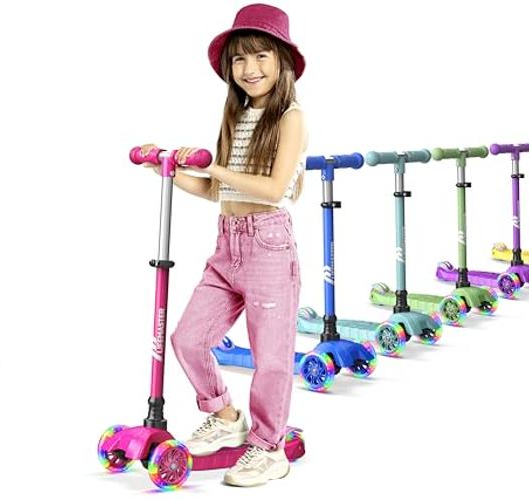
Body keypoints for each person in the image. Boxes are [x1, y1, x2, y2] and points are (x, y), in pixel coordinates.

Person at [140, 3, 307, 488]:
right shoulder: (235, 114)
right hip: (227, 244)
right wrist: (168, 171)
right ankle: (226, 416)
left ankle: (269, 448)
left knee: (270, 358)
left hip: (269, 245)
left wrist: (213, 166)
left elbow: (273, 189)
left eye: (260, 56)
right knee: (187, 339)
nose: (249, 68)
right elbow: (219, 190)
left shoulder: (291, 117)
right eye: (239, 59)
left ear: (282, 62)